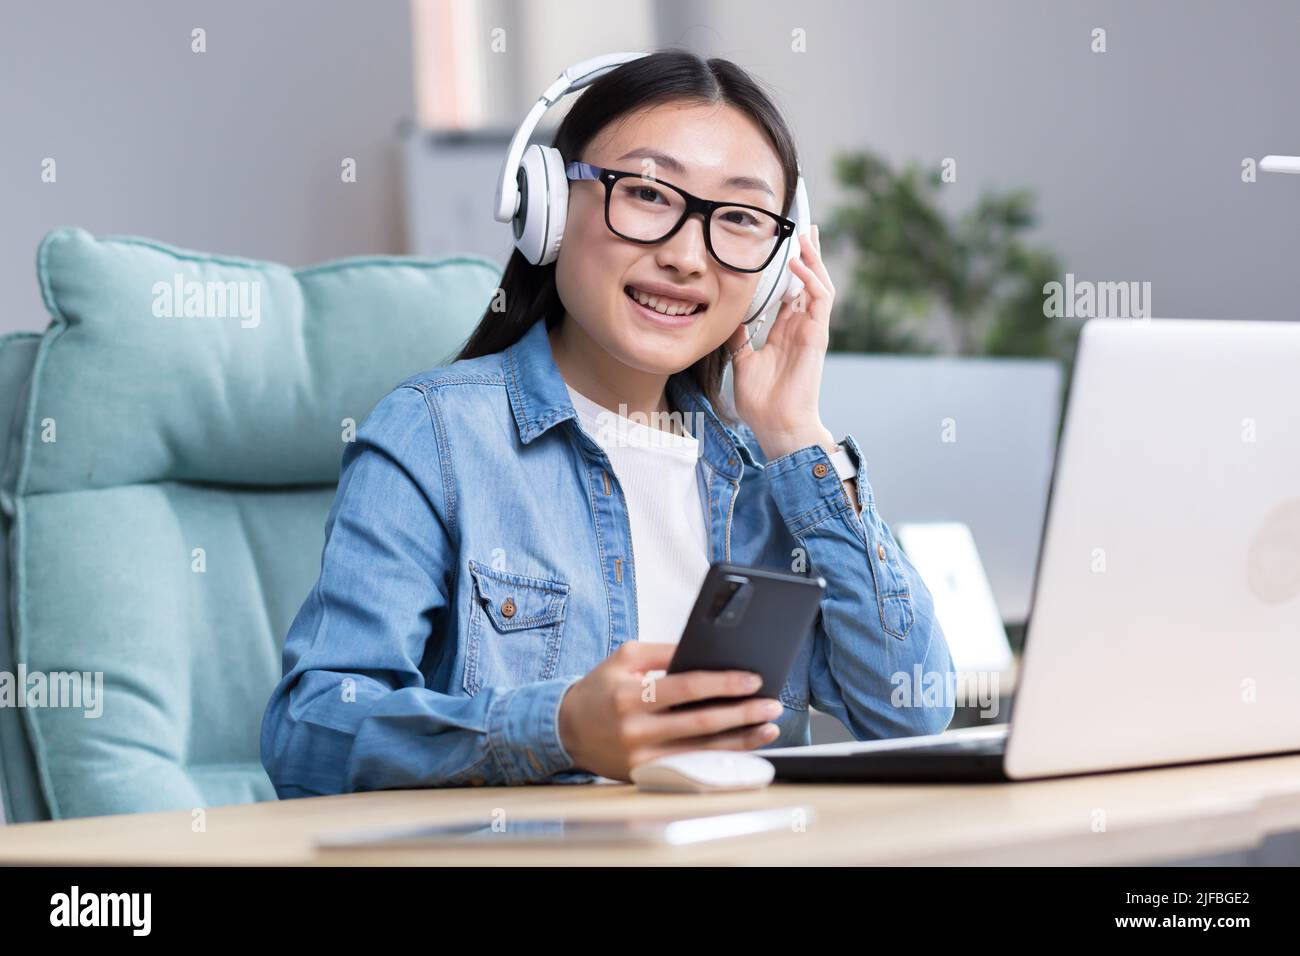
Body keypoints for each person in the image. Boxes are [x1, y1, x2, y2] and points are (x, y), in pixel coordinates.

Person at [261, 49, 954, 797]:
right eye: (650, 195)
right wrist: (553, 728)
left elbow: (908, 711)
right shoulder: (436, 437)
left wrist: (797, 436)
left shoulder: (766, 475)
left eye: (742, 218)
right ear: (548, 207)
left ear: (779, 263)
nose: (689, 256)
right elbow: (309, 733)